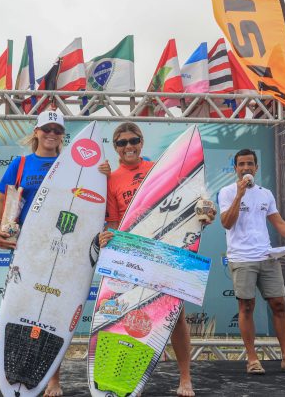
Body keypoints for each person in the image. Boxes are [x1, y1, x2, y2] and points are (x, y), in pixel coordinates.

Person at [97, 121, 214, 397]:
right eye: (122, 142)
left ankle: (185, 379)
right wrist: (107, 238)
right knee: (121, 315)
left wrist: (206, 211)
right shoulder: (111, 179)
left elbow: (190, 201)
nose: (129, 146)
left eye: (133, 140)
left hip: (163, 250)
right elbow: (114, 222)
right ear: (116, 147)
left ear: (141, 143)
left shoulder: (157, 170)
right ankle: (126, 379)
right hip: (131, 254)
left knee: (175, 316)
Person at [0, 109, 67, 396]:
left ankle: (52, 379)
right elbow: (1, 197)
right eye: (46, 128)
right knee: (26, 312)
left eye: (57, 130)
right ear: (36, 132)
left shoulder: (71, 164)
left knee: (54, 313)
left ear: (62, 136)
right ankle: (21, 372)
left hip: (61, 251)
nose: (51, 134)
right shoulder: (21, 164)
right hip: (26, 251)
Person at [217, 148, 285, 375]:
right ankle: (252, 360)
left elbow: (278, 222)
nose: (246, 168)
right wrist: (239, 195)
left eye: (250, 164)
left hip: (267, 256)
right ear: (235, 168)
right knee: (246, 307)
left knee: (280, 305)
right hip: (241, 258)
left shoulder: (265, 194)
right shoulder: (227, 192)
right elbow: (226, 223)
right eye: (241, 164)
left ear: (256, 168)